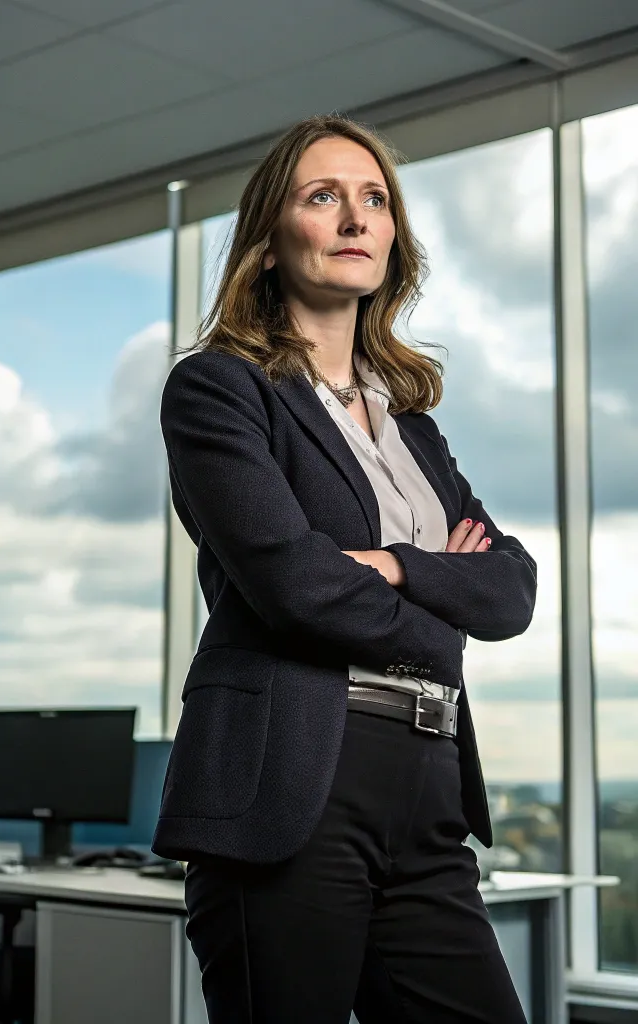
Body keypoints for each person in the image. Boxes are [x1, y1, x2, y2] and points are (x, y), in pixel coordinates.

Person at [153, 114, 538, 1023]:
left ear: (395, 236)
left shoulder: (414, 428)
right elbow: (294, 586)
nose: (355, 219)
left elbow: (512, 589)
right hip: (293, 777)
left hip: (427, 782)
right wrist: (443, 591)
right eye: (323, 198)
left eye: (374, 201)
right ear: (271, 237)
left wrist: (395, 568)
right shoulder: (219, 389)